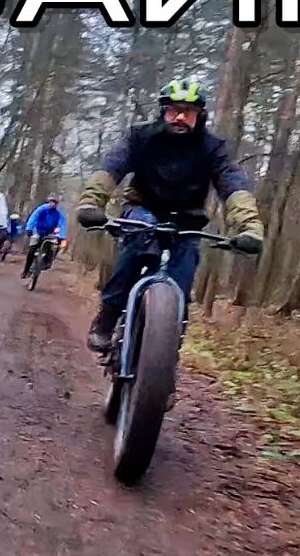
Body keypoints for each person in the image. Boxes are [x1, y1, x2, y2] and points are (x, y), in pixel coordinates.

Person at [77, 77, 265, 352]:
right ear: (163, 111)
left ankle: (167, 353)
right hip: (142, 209)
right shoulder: (140, 137)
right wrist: (91, 203)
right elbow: (112, 168)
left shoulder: (213, 148)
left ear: (199, 115)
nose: (179, 117)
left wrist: (249, 226)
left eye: (188, 111)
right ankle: (108, 316)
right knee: (140, 235)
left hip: (187, 220)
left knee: (181, 286)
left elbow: (233, 183)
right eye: (173, 109)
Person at [23, 194, 68, 275]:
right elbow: (33, 217)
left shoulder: (59, 213)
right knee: (32, 250)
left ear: (57, 204)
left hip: (50, 233)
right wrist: (29, 228)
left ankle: (47, 263)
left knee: (53, 247)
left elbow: (62, 225)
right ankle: (26, 270)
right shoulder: (42, 209)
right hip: (38, 231)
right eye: (51, 202)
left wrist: (61, 237)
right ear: (49, 202)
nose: (53, 204)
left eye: (55, 202)